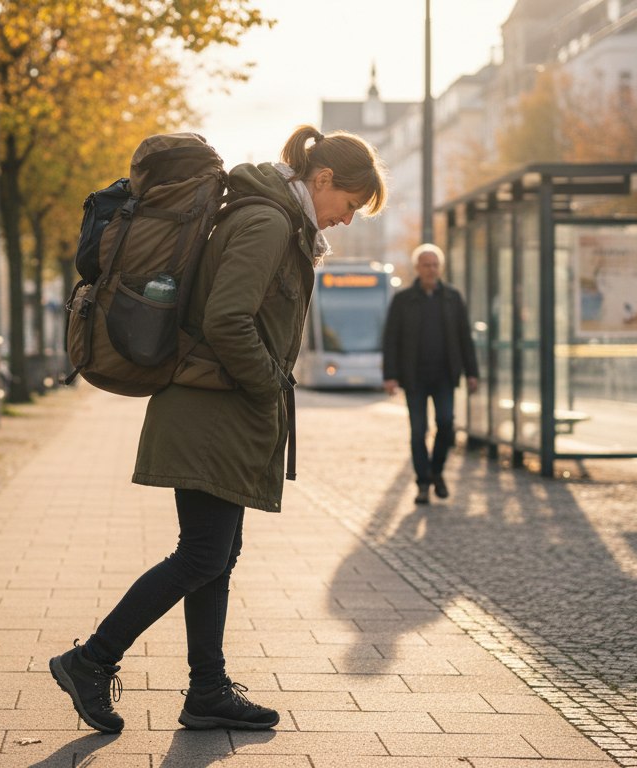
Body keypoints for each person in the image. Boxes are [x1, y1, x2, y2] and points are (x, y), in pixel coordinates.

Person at [49, 126, 387, 734]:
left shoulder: (275, 218)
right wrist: (271, 387)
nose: (348, 219)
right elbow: (227, 320)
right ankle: (91, 660)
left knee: (215, 554)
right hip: (212, 410)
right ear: (324, 179)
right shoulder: (269, 224)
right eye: (352, 204)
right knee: (204, 553)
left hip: (215, 409)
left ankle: (206, 689)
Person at [382, 243, 479, 505]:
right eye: (426, 265)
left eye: (435, 265)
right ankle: (423, 483)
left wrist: (472, 372)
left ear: (440, 268)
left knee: (447, 425)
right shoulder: (403, 300)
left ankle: (436, 471)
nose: (431, 269)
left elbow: (464, 338)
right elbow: (390, 339)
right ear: (417, 268)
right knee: (418, 431)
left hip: (445, 375)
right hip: (414, 377)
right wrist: (390, 375)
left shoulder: (452, 297)